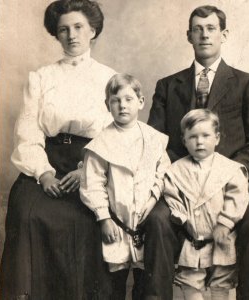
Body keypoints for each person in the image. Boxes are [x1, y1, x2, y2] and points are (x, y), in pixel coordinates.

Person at [145, 5, 249, 300]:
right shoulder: (167, 86)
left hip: (232, 185)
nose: (204, 35)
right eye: (197, 29)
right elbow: (154, 143)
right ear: (188, 36)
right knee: (156, 219)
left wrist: (223, 175)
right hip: (180, 187)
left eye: (211, 28)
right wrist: (183, 178)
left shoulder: (245, 83)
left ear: (223, 34)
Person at [0, 1, 117, 299]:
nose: (72, 35)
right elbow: (27, 130)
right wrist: (44, 173)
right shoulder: (41, 77)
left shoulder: (109, 78)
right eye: (63, 29)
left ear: (92, 30)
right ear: (56, 34)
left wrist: (85, 170)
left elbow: (113, 133)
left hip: (91, 163)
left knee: (87, 218)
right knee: (26, 211)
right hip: (48, 160)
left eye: (78, 27)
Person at [80, 73, 171, 300]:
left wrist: (152, 199)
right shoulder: (101, 143)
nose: (122, 105)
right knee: (112, 284)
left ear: (140, 102)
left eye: (129, 99)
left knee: (145, 282)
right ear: (107, 105)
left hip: (145, 221)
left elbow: (163, 172)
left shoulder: (153, 138)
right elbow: (92, 183)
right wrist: (104, 218)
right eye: (116, 100)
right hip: (115, 222)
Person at [164, 109, 249, 300]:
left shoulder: (229, 169)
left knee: (221, 285)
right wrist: (181, 217)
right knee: (191, 286)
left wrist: (225, 223)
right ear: (184, 141)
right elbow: (171, 195)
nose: (199, 142)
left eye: (205, 136)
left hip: (221, 240)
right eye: (193, 137)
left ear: (217, 138)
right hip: (192, 241)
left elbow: (237, 196)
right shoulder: (176, 170)